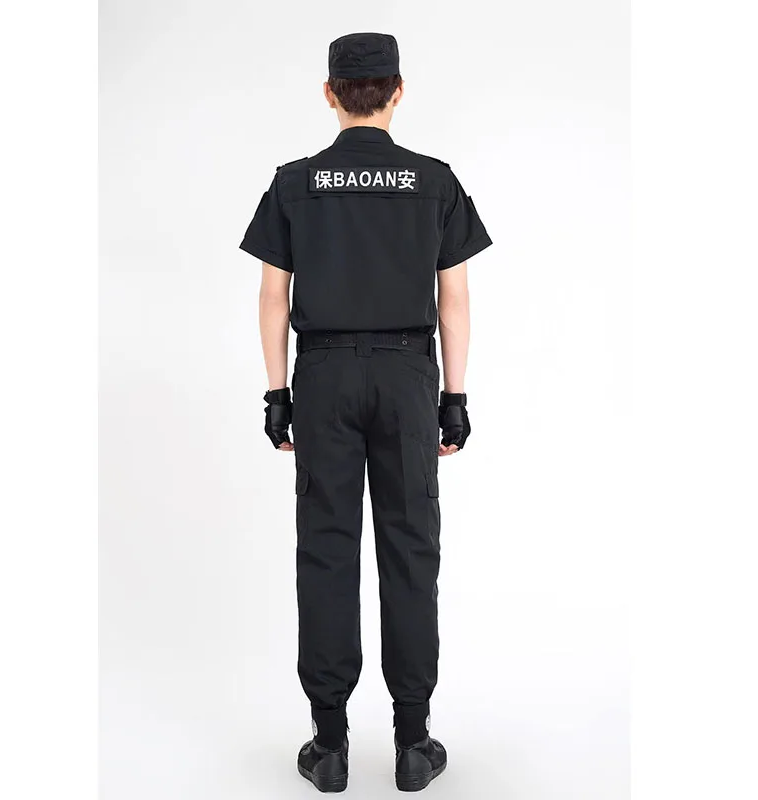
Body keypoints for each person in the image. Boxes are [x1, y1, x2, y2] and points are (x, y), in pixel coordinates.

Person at [240, 32, 491, 793]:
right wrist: (454, 397)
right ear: (398, 90)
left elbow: (274, 298)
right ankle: (413, 742)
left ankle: (329, 746)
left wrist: (277, 393)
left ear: (330, 93)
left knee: (326, 548)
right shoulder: (434, 182)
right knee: (411, 548)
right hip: (408, 376)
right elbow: (454, 298)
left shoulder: (295, 184)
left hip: (322, 377)